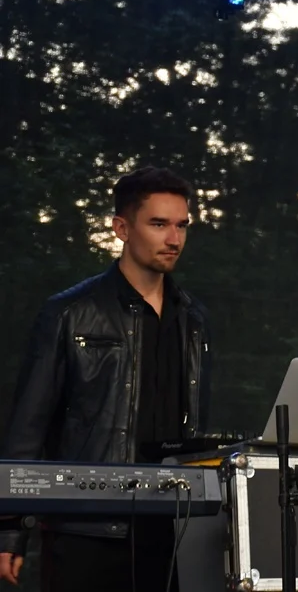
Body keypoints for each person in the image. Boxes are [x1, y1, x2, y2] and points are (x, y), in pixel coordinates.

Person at [0, 167, 213, 592]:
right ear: (121, 228)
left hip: (173, 530)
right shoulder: (69, 312)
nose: (174, 239)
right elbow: (29, 426)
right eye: (159, 224)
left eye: (182, 225)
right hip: (86, 531)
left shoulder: (193, 319)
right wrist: (9, 529)